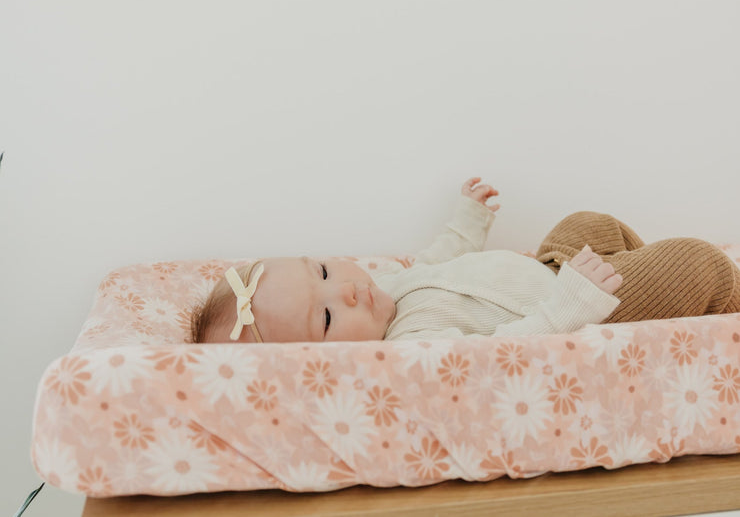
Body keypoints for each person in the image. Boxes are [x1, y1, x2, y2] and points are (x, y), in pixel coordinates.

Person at [189, 177, 740, 344]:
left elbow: (436, 259)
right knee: (694, 260)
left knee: (589, 223)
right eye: (328, 317)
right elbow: (500, 351)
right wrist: (571, 307)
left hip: (553, 271)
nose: (347, 291)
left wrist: (468, 221)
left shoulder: (385, 287)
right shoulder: (412, 347)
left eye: (325, 273)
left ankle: (657, 299)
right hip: (577, 307)